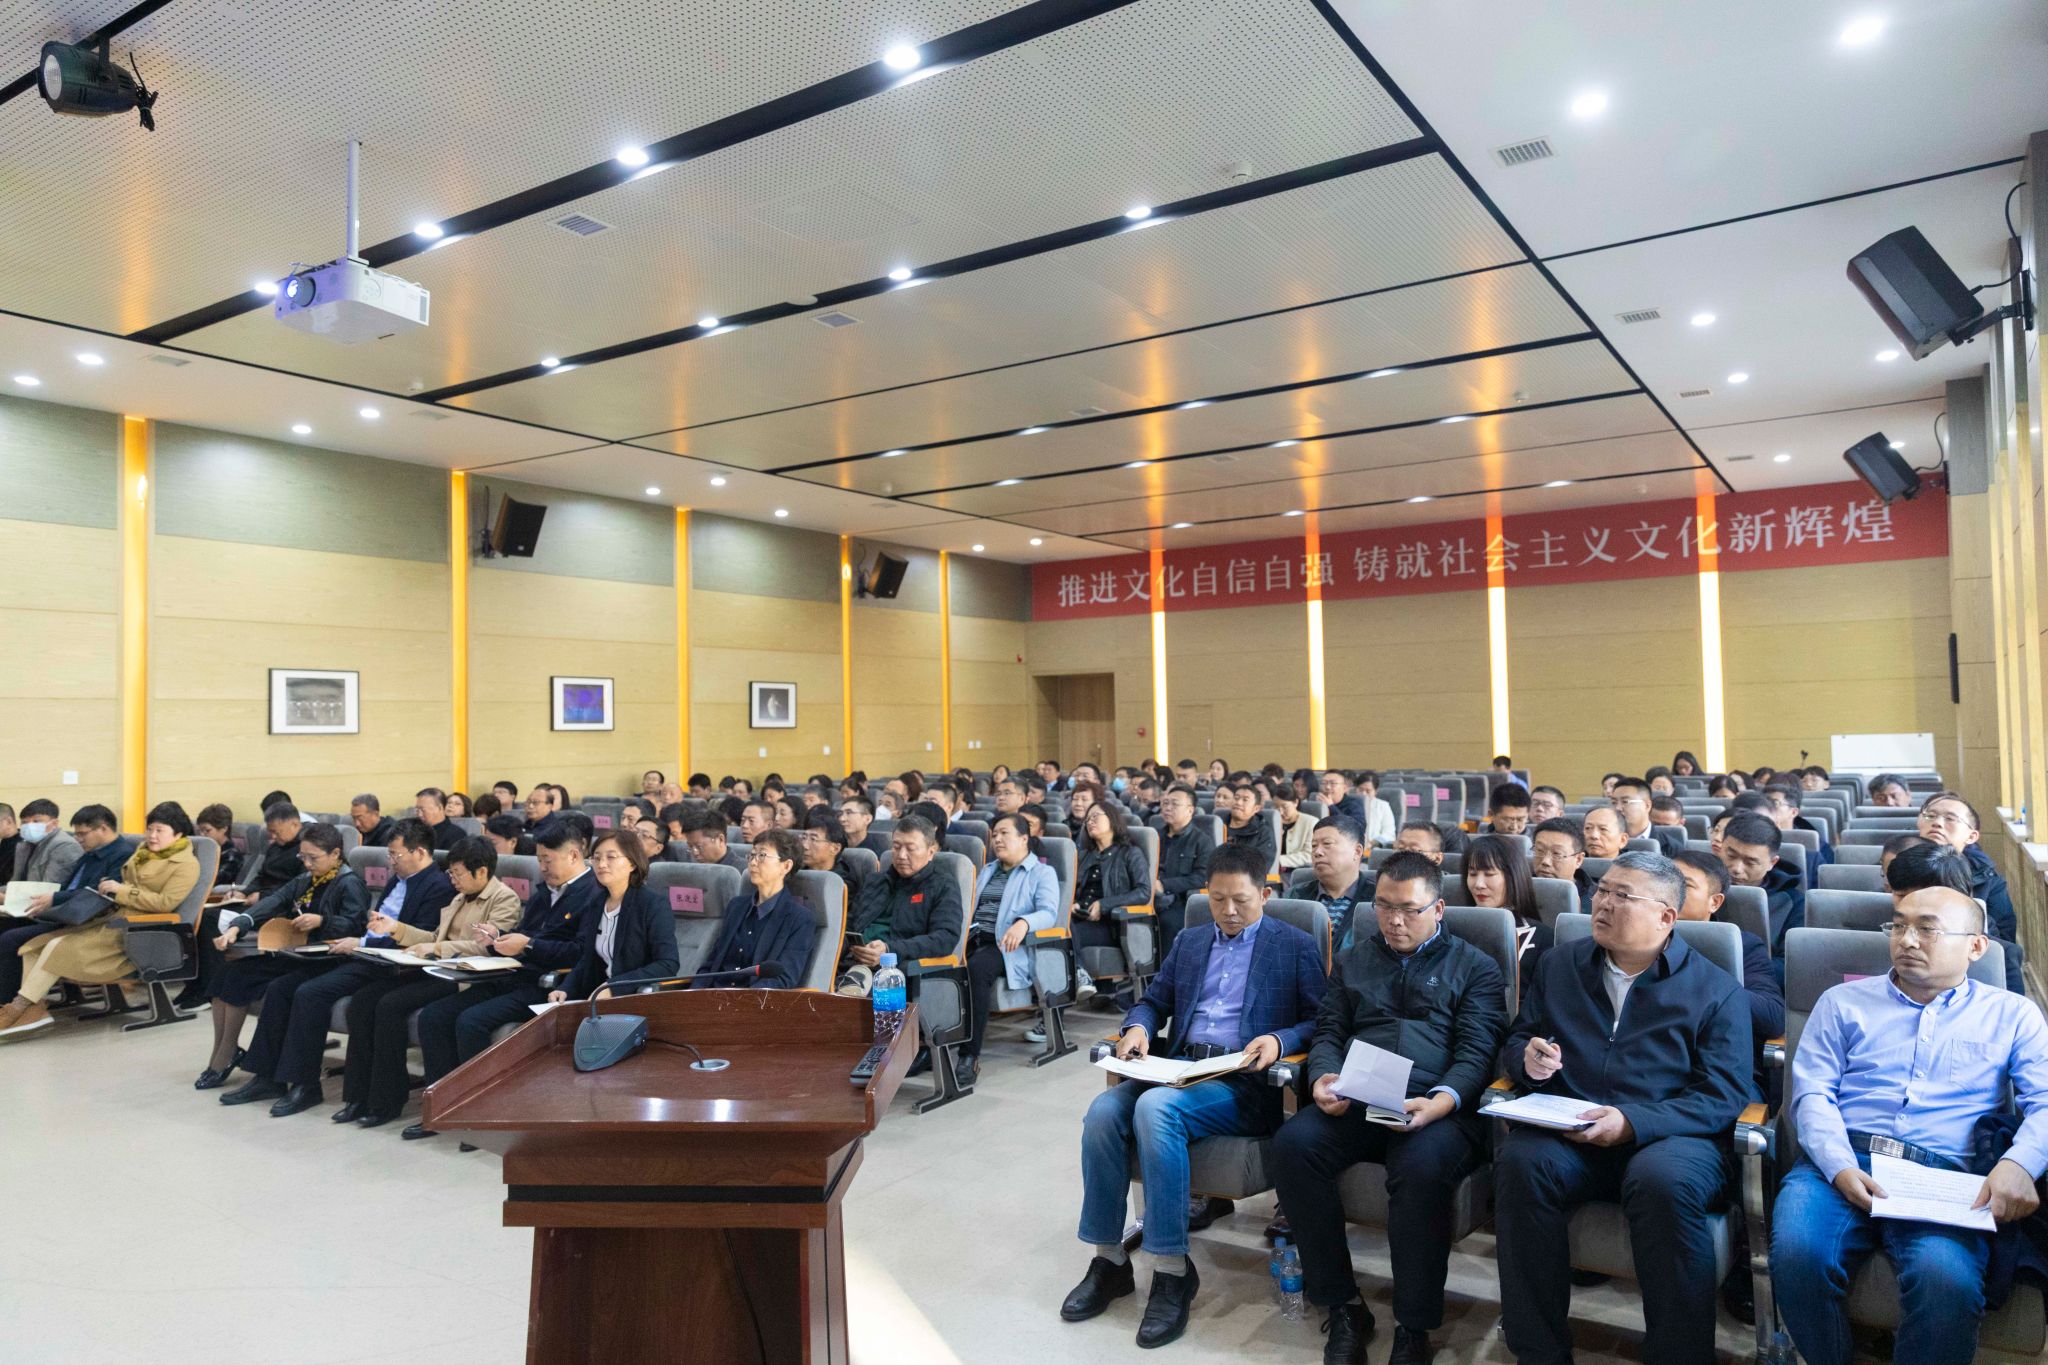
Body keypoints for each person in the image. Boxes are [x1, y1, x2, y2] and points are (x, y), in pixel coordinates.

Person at [1062, 844, 1326, 1349]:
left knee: (1154, 1109)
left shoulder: (1292, 946)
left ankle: (1171, 1269)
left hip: (1243, 1081)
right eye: (1218, 899)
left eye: (1241, 900)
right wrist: (1138, 1028)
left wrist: (1280, 1040)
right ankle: (1109, 1261)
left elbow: (1323, 1019)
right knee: (1102, 1112)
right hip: (1180, 1067)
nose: (1229, 911)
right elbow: (1153, 1001)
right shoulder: (1190, 940)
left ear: (1265, 895)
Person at [1495, 850, 1752, 1365]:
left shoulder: (1716, 990)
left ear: (1666, 916)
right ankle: (1538, 1351)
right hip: (1574, 1128)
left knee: (1663, 1181)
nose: (1602, 903)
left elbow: (1724, 1094)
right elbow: (1519, 1038)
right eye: (1602, 891)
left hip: (1673, 1138)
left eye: (1622, 896)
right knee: (1521, 1161)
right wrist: (1528, 1060)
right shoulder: (1560, 964)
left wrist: (1634, 1122)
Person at [1772, 886, 2048, 1365]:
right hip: (1842, 1158)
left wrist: (2019, 1163)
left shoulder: (2012, 1015)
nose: (1907, 940)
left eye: (1927, 929)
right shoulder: (1841, 1002)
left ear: (1976, 946)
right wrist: (1838, 1166)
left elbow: (2044, 1101)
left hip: (1944, 1176)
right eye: (1898, 926)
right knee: (1798, 1255)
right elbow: (1812, 1093)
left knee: (1947, 1283)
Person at [1269, 851, 1508, 1365]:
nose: (1395, 921)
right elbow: (1329, 1031)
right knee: (1293, 1145)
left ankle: (1413, 1326)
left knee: (1419, 1169)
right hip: (1360, 1097)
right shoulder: (1354, 960)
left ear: (1438, 909)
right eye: (1383, 907)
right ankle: (1343, 1304)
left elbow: (1477, 1052)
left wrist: (1441, 1101)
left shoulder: (1476, 967)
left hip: (1437, 1106)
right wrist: (1324, 1077)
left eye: (1409, 910)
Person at [217, 819, 454, 1112]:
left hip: (387, 963)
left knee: (310, 993)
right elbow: (370, 925)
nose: (390, 862)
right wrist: (359, 941)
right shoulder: (399, 879)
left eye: (396, 854)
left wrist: (360, 942)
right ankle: (266, 1077)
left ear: (419, 852)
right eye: (390, 854)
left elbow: (420, 938)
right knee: (280, 988)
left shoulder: (437, 886)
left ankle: (305, 1085)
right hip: (363, 953)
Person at [322, 837, 524, 1131]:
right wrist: (395, 928)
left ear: (481, 871)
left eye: (457, 873)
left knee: (391, 1006)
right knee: (364, 1000)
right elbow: (433, 937)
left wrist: (435, 949)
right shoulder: (459, 897)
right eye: (450, 873)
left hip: (463, 977)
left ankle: (388, 1101)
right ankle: (357, 1096)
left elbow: (487, 947)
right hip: (433, 970)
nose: (452, 879)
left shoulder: (504, 899)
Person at [409, 825, 604, 1104]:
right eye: (539, 860)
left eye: (547, 860)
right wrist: (498, 938)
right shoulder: (543, 893)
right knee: (434, 1016)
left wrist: (528, 945)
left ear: (573, 856)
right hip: (513, 974)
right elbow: (525, 934)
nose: (542, 867)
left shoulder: (593, 895)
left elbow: (581, 953)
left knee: (470, 1022)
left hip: (549, 985)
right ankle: (441, 1105)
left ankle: (479, 1109)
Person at [0, 803, 197, 1041]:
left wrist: (121, 891)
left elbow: (166, 903)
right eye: (149, 829)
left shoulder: (185, 865)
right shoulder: (142, 852)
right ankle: (30, 1008)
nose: (152, 836)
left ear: (178, 833)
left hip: (137, 931)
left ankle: (20, 1009)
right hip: (109, 919)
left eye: (159, 831)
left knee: (55, 947)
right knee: (34, 947)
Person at [197, 823, 367, 1091]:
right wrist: (238, 925)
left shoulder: (350, 883)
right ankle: (225, 1050)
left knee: (268, 985)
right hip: (298, 952)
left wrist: (322, 920)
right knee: (227, 973)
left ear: (335, 854)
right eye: (303, 857)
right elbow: (274, 901)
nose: (307, 863)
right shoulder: (307, 879)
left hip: (328, 958)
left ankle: (232, 1059)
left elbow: (355, 925)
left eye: (313, 858)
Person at [1671, 848, 1782, 1099]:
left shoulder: (1743, 946)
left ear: (1715, 902)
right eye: (1664, 882)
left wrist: (1694, 977)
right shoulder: (1634, 941)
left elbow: (1772, 1017)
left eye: (1684, 885)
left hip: (1720, 1071)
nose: (1668, 892)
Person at [958, 813, 1061, 1081]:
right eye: (994, 834)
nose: (997, 839)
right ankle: (926, 1045)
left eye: (1004, 833)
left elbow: (1049, 913)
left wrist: (1024, 923)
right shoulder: (988, 870)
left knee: (976, 970)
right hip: (973, 940)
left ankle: (969, 1056)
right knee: (938, 967)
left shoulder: (1042, 872)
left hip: (1006, 947)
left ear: (1024, 838)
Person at [0, 803, 131, 1009]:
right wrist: (54, 897)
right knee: (5, 927)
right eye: (76, 834)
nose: (77, 839)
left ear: (103, 829)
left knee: (11, 938)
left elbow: (96, 894)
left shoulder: (122, 855)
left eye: (82, 834)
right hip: (63, 912)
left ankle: (9, 1004)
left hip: (83, 919)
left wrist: (55, 898)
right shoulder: (91, 852)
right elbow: (70, 886)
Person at [544, 829, 682, 1004]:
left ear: (632, 864)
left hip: (636, 998)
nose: (601, 864)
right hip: (597, 998)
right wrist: (565, 989)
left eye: (611, 857)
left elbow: (667, 964)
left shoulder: (652, 904)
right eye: (596, 858)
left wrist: (614, 987)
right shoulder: (596, 903)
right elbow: (588, 959)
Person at [837, 815, 964, 1003]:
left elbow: (945, 938)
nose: (901, 855)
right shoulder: (875, 881)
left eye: (910, 848)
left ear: (930, 852)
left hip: (896, 969)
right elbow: (851, 923)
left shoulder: (943, 886)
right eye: (896, 847)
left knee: (845, 1005)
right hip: (854, 962)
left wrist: (890, 950)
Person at [1885, 840, 2028, 995]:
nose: (1906, 941)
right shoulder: (1878, 935)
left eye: (1927, 929)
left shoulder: (2002, 957)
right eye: (1901, 895)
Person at [686, 827, 817, 992]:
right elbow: (711, 965)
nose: (753, 862)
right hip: (714, 996)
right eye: (752, 855)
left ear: (786, 866)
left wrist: (741, 1001)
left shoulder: (799, 918)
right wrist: (693, 994)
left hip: (754, 1001)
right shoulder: (736, 906)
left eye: (762, 856)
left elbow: (783, 979)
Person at [1916, 791, 2016, 942]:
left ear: (1971, 836)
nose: (1937, 823)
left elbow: (2004, 942)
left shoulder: (1988, 878)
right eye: (1930, 816)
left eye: (1950, 818)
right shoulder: (1896, 861)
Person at [1071, 804, 1151, 990]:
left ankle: (1079, 974)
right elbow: (1072, 889)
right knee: (1056, 926)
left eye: (1095, 816)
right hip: (1080, 918)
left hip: (1112, 925)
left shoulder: (1130, 853)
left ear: (1112, 820)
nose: (1090, 822)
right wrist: (1072, 903)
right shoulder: (1084, 856)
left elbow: (1144, 892)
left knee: (1065, 935)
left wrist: (1104, 905)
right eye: (1087, 819)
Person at [1718, 811, 1803, 961]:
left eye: (1750, 862)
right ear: (1721, 847)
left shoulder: (1795, 903)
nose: (1737, 869)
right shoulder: (1699, 886)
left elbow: (1789, 963)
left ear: (1772, 863)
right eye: (1731, 856)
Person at [1466, 833, 1550, 977]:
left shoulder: (1541, 937)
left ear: (1512, 877)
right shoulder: (1452, 928)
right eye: (1472, 874)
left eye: (1489, 874)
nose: (1478, 884)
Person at [1285, 815, 1371, 950]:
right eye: (1314, 846)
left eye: (1327, 844)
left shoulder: (1377, 900)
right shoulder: (1295, 896)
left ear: (1357, 851)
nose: (1317, 852)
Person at [1153, 783, 1213, 948]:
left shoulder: (1202, 841)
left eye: (1175, 804)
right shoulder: (1155, 837)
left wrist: (1164, 885)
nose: (1168, 808)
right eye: (1166, 803)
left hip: (1182, 902)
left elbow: (1202, 877)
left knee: (1167, 922)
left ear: (1190, 810)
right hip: (1152, 898)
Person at [1531, 817, 1592, 913]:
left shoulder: (1594, 900)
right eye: (1539, 850)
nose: (1545, 861)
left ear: (1578, 860)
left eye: (1557, 853)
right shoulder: (1517, 889)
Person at [800, 808, 866, 894]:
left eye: (813, 839)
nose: (805, 846)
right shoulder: (795, 873)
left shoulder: (841, 883)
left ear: (835, 849)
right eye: (804, 838)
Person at [1222, 782, 1277, 874]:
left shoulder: (1263, 832)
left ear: (1256, 808)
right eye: (1236, 798)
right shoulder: (1217, 825)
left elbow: (1260, 867)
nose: (1238, 802)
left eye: (1245, 800)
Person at [681, 809, 749, 871]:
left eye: (699, 846)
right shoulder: (689, 869)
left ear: (720, 840)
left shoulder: (745, 871)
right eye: (690, 847)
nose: (695, 853)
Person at [1273, 784, 1314, 873]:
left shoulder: (1311, 822)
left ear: (1295, 802)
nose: (1280, 812)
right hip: (1272, 871)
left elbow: (1309, 855)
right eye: (1276, 806)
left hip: (1297, 872)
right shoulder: (1271, 822)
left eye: (1285, 807)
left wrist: (1279, 861)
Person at [411, 788, 466, 853]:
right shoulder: (414, 831)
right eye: (417, 809)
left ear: (440, 808)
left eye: (422, 809)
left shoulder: (456, 834)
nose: (419, 814)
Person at [837, 793, 890, 858]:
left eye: (849, 813)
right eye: (840, 813)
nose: (842, 819)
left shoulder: (880, 848)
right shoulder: (834, 844)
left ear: (867, 819)